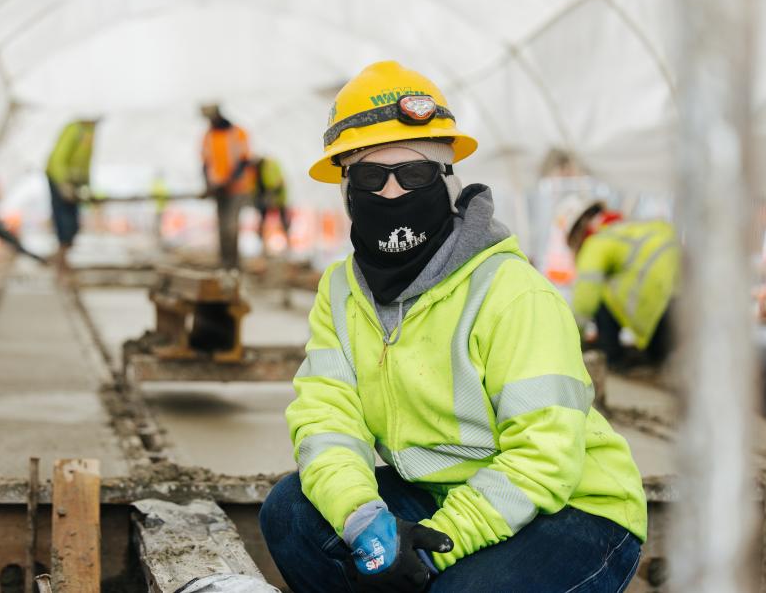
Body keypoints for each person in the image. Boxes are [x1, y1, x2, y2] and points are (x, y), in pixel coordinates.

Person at [259, 61, 646, 592]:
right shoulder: (342, 290)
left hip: (571, 508)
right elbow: (327, 416)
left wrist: (438, 544)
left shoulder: (512, 291)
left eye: (413, 174)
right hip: (437, 490)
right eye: (371, 177)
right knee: (290, 511)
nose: (392, 194)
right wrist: (364, 520)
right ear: (345, 186)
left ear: (446, 178)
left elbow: (543, 457)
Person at [559, 196, 680, 369]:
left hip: (657, 309)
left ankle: (613, 359)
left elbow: (584, 302)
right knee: (659, 355)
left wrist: (573, 341)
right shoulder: (630, 228)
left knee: (599, 295)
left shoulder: (596, 243)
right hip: (681, 302)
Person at [200, 104, 253, 268]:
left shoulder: (238, 133)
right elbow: (205, 163)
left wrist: (229, 180)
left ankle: (233, 264)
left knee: (230, 226)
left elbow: (244, 161)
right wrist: (209, 185)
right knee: (222, 227)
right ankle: (224, 263)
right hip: (219, 189)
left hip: (236, 188)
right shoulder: (208, 136)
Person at [46, 119, 97, 272]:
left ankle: (63, 255)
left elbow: (85, 163)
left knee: (73, 223)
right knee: (64, 219)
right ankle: (61, 258)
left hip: (73, 182)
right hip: (58, 178)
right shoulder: (74, 129)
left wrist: (87, 187)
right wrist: (62, 183)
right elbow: (58, 158)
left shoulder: (89, 132)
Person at [251, 155, 291, 253]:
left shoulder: (267, 168)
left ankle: (286, 243)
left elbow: (275, 184)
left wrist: (270, 197)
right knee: (266, 219)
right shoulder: (265, 167)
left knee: (282, 220)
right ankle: (262, 245)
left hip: (276, 197)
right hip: (272, 197)